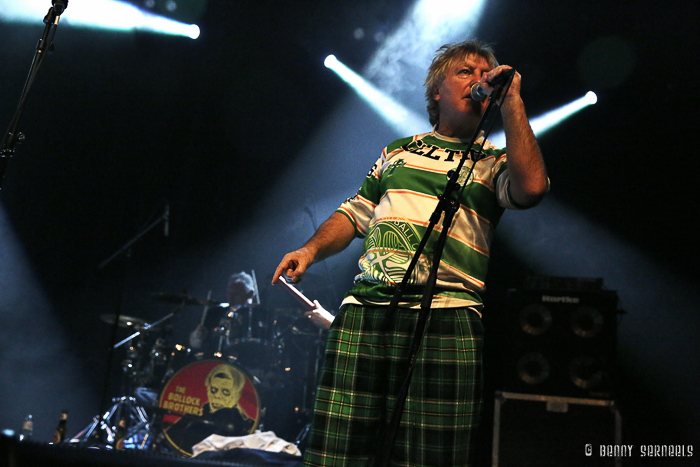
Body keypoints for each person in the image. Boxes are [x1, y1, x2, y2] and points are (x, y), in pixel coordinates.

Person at [273, 39, 548, 467]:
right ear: (437, 91)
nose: (479, 79)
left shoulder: (494, 160)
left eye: (485, 74)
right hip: (366, 311)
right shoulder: (399, 151)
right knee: (336, 454)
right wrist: (310, 249)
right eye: (465, 71)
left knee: (431, 456)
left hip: (447, 314)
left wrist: (511, 99)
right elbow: (354, 213)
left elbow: (531, 188)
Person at [189, 272, 257, 354]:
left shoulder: (257, 316)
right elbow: (196, 344)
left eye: (235, 294)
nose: (230, 297)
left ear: (250, 294)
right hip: (216, 360)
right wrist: (197, 337)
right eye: (229, 293)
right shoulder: (216, 312)